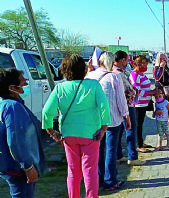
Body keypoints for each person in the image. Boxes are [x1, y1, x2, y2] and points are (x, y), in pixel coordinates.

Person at [43, 54, 111, 198]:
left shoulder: (60, 88)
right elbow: (104, 105)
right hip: (91, 134)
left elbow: (47, 112)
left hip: (68, 134)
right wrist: (104, 127)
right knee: (90, 170)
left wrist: (51, 131)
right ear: (84, 69)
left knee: (73, 171)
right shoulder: (93, 85)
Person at [86, 52, 131, 191]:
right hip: (112, 120)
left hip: (94, 121)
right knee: (110, 151)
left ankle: (98, 178)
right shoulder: (114, 77)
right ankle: (110, 180)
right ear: (111, 63)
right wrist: (127, 117)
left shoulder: (89, 76)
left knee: (97, 151)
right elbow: (121, 101)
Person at [0, 68, 46, 198]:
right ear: (12, 88)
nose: (26, 83)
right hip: (17, 168)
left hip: (16, 166)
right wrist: (27, 167)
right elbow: (15, 141)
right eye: (22, 81)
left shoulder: (12, 104)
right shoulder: (12, 107)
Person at [113, 51, 146, 166]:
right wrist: (136, 91)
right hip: (127, 104)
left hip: (115, 105)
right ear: (122, 60)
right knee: (130, 129)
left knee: (119, 130)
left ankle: (118, 155)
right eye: (126, 60)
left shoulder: (116, 71)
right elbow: (129, 89)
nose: (127, 62)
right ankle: (132, 157)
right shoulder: (119, 74)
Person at [129, 55, 158, 153]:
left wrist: (152, 92)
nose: (146, 66)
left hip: (144, 102)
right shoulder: (134, 74)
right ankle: (138, 144)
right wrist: (151, 93)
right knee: (137, 124)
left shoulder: (141, 74)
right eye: (145, 64)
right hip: (138, 103)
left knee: (141, 123)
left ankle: (140, 141)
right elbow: (136, 90)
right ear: (138, 64)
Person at [154, 52, 169, 137]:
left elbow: (168, 80)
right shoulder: (157, 68)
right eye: (161, 58)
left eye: (164, 58)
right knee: (162, 112)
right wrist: (161, 67)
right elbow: (157, 78)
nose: (163, 60)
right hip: (162, 93)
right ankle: (162, 132)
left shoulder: (168, 68)